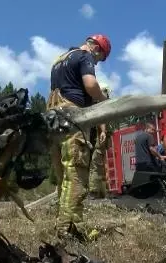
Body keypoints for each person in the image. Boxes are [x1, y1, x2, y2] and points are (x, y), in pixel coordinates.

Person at [46, 34, 111, 243]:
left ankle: (64, 222)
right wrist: (104, 101)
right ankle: (68, 231)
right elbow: (91, 86)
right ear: (97, 49)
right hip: (72, 119)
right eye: (99, 59)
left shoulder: (59, 60)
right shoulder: (85, 56)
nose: (97, 63)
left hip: (53, 121)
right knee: (76, 175)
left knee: (64, 176)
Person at [88, 86, 111, 199]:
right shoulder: (103, 108)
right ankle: (99, 192)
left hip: (100, 143)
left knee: (96, 166)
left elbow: (101, 120)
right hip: (101, 143)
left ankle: (96, 192)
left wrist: (103, 132)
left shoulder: (100, 107)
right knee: (99, 167)